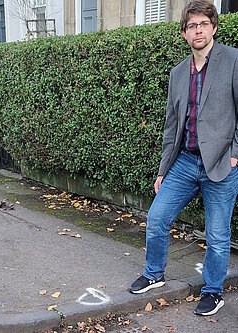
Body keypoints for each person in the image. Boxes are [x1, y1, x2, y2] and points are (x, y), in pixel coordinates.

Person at [129, 0, 238, 316]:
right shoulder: (178, 74)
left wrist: (234, 155)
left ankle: (213, 291)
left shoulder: (232, 61)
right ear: (184, 33)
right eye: (192, 25)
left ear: (214, 28)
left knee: (218, 236)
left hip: (221, 164)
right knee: (157, 217)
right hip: (186, 162)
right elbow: (171, 127)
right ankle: (154, 273)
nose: (199, 30)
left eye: (204, 23)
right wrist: (164, 170)